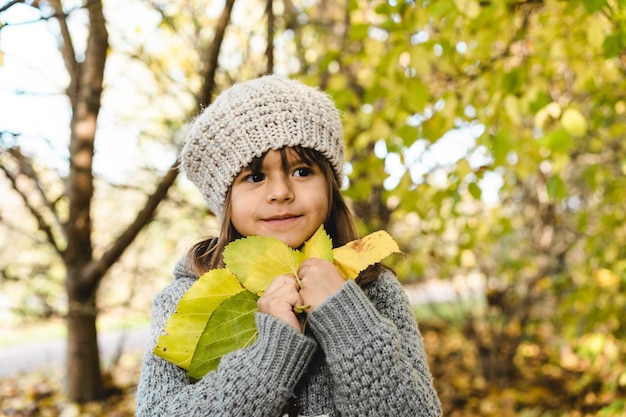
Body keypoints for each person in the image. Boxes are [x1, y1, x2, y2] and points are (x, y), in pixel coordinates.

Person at [136, 74, 442, 417]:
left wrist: (346, 317)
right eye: (255, 177)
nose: (281, 191)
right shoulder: (185, 301)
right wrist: (270, 357)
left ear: (329, 185)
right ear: (225, 202)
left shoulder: (374, 290)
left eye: (301, 171)